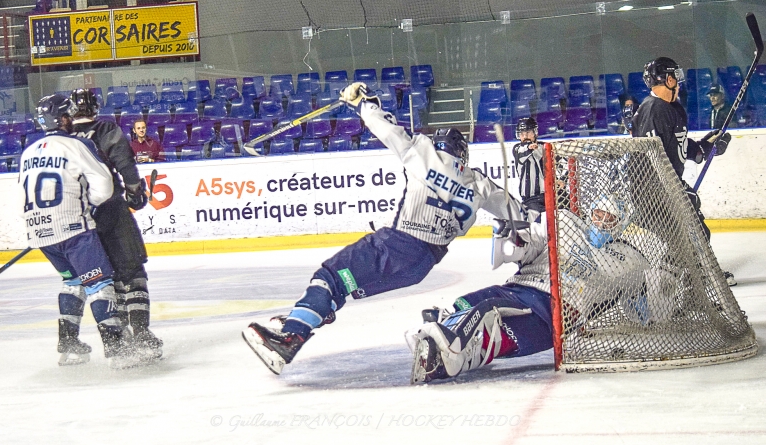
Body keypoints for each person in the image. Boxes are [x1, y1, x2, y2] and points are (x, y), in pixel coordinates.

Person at [242, 82, 526, 375]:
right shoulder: (479, 184)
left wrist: (364, 103)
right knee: (344, 286)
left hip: (397, 245)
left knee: (329, 278)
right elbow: (516, 211)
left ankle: (290, 339)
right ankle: (303, 318)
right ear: (462, 153)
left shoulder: (423, 153)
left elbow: (388, 129)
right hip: (422, 265)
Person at [408, 195, 652, 384]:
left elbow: (642, 307)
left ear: (621, 225)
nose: (600, 223)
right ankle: (442, 343)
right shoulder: (564, 222)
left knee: (489, 317)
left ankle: (451, 350)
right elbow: (527, 244)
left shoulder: (628, 259)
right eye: (598, 215)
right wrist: (513, 240)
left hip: (555, 309)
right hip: (519, 285)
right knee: (467, 302)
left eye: (608, 219)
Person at [22, 95, 136, 368]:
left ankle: (69, 345)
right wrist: (89, 206)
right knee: (99, 284)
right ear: (62, 119)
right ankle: (116, 349)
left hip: (40, 232)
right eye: (69, 115)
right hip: (74, 229)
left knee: (72, 282)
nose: (72, 119)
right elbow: (105, 185)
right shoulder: (76, 144)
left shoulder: (28, 151)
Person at [60, 89, 164, 357]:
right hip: (111, 209)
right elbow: (124, 161)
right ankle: (141, 333)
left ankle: (120, 337)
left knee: (104, 279)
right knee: (132, 271)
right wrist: (134, 191)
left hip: (80, 217)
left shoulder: (64, 139)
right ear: (95, 108)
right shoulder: (105, 128)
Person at [631, 57, 735, 286]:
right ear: (666, 78)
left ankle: (688, 280)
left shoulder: (671, 107)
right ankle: (680, 283)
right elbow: (649, 160)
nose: (678, 80)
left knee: (694, 233)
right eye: (674, 76)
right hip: (650, 194)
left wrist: (705, 148)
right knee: (686, 237)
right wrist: (674, 191)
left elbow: (677, 144)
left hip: (664, 187)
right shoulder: (652, 110)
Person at [512, 117, 545, 217]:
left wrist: (560, 180)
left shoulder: (544, 147)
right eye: (522, 134)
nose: (525, 136)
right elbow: (523, 152)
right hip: (530, 200)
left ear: (535, 133)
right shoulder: (517, 148)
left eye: (528, 132)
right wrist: (529, 147)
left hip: (549, 197)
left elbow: (558, 162)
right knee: (538, 224)